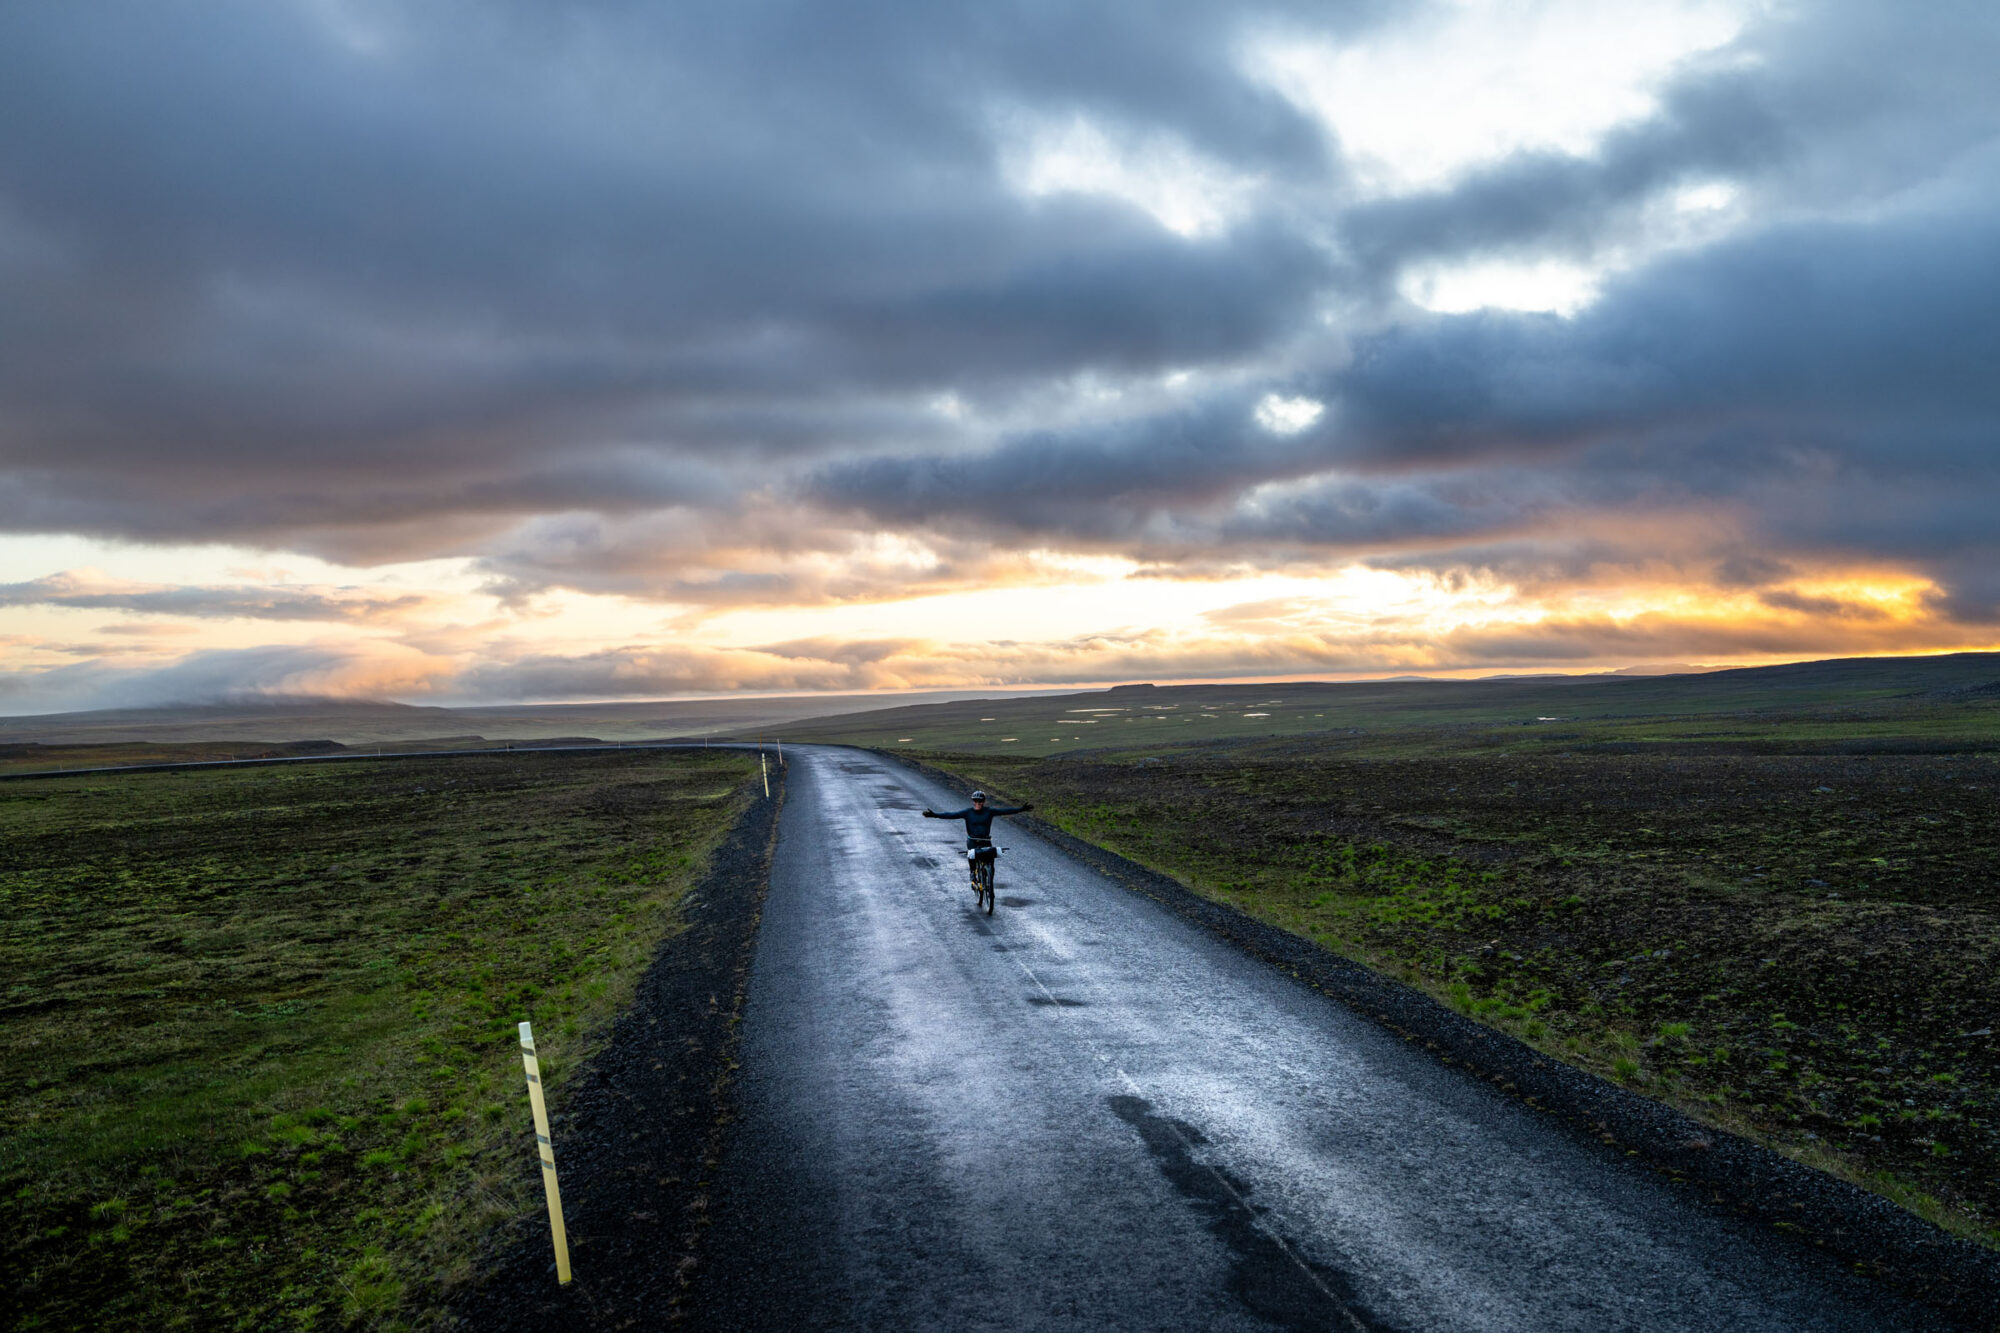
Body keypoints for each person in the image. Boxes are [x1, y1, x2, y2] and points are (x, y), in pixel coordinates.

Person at [922, 790, 1034, 886]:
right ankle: (972, 872)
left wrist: (1021, 809)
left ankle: (989, 883)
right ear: (973, 801)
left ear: (984, 802)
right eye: (976, 801)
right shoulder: (967, 812)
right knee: (972, 855)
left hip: (986, 840)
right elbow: (950, 815)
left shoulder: (989, 812)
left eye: (980, 801)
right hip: (972, 841)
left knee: (991, 861)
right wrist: (935, 815)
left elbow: (1005, 811)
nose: (978, 803)